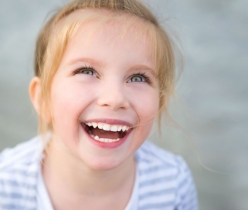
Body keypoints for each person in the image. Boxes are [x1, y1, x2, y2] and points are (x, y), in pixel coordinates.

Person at [0, 0, 197, 209]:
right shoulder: (6, 185)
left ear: (159, 104)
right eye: (86, 72)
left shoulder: (173, 184)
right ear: (43, 99)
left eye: (138, 77)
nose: (114, 98)